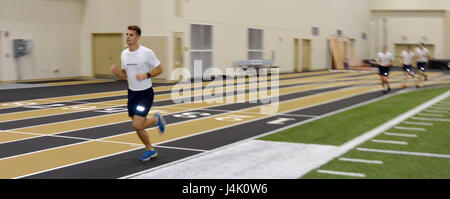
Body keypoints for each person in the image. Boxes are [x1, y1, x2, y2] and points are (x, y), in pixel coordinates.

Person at [110, 25, 166, 162]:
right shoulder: (124, 54)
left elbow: (160, 69)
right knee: (138, 127)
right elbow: (125, 74)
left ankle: (156, 119)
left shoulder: (146, 53)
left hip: (145, 94)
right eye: (127, 34)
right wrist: (117, 72)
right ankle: (150, 149)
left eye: (131, 35)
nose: (128, 37)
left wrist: (146, 75)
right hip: (132, 94)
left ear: (138, 37)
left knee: (137, 124)